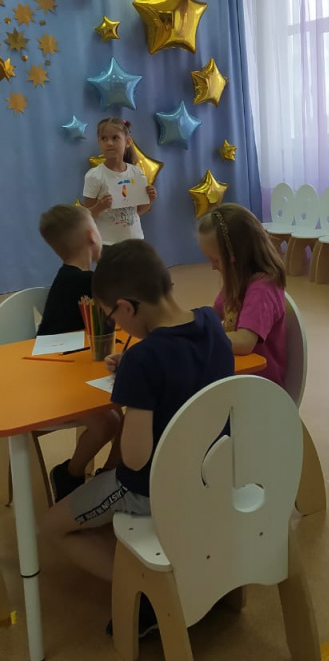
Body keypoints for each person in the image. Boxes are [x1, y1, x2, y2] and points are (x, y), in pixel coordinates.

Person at [40, 240, 235, 634]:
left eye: (111, 315)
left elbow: (134, 459)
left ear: (126, 307)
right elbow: (181, 364)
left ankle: (150, 590)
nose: (115, 324)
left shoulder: (143, 361)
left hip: (152, 488)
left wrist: (133, 386)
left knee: (49, 526)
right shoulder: (211, 323)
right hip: (213, 475)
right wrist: (134, 367)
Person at [38, 204, 122, 502]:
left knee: (128, 410)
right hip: (55, 376)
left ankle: (110, 477)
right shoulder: (85, 282)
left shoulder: (73, 276)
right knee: (111, 421)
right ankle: (70, 474)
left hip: (75, 368)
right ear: (91, 236)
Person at [197, 204, 287, 386]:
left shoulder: (262, 289)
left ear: (236, 256)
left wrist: (205, 339)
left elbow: (245, 342)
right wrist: (188, 321)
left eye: (215, 260)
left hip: (260, 383)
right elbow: (216, 312)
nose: (213, 267)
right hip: (238, 374)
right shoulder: (237, 278)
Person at [83, 117, 156, 244]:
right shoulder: (94, 176)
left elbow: (138, 211)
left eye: (115, 138)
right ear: (99, 142)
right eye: (104, 138)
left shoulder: (136, 173)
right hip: (107, 243)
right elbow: (87, 215)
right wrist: (100, 207)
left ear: (127, 142)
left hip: (135, 240)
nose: (109, 143)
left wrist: (150, 199)